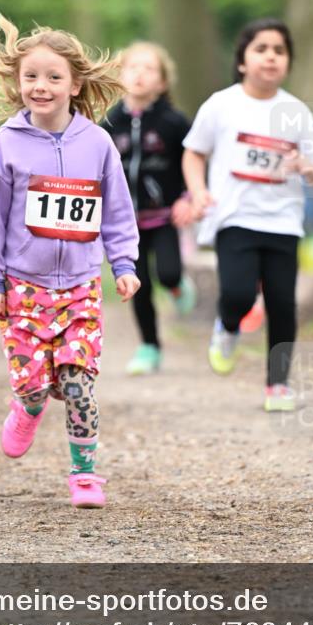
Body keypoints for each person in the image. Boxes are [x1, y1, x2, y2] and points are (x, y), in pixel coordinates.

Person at [0, 14, 140, 508]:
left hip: (81, 288)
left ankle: (85, 475)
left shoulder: (98, 143)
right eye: (31, 77)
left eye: (53, 77)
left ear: (75, 84)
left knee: (79, 384)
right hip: (23, 288)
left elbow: (118, 211)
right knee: (38, 388)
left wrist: (123, 265)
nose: (40, 86)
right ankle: (26, 406)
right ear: (18, 83)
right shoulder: (8, 143)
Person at [182, 18, 313, 411]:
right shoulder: (222, 104)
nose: (271, 57)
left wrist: (307, 166)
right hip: (234, 217)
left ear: (288, 63)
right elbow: (194, 152)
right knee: (238, 293)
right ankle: (227, 327)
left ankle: (278, 384)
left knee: (283, 303)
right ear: (243, 61)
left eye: (279, 51)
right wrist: (199, 192)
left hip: (283, 220)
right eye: (261, 49)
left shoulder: (295, 112)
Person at [102, 41, 195, 375]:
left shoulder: (174, 122)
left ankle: (178, 285)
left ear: (163, 82)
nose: (140, 74)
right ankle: (149, 347)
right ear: (120, 75)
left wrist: (188, 197)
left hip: (165, 215)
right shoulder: (109, 124)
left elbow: (194, 160)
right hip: (126, 223)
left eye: (149, 68)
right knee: (136, 284)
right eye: (133, 67)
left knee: (167, 272)